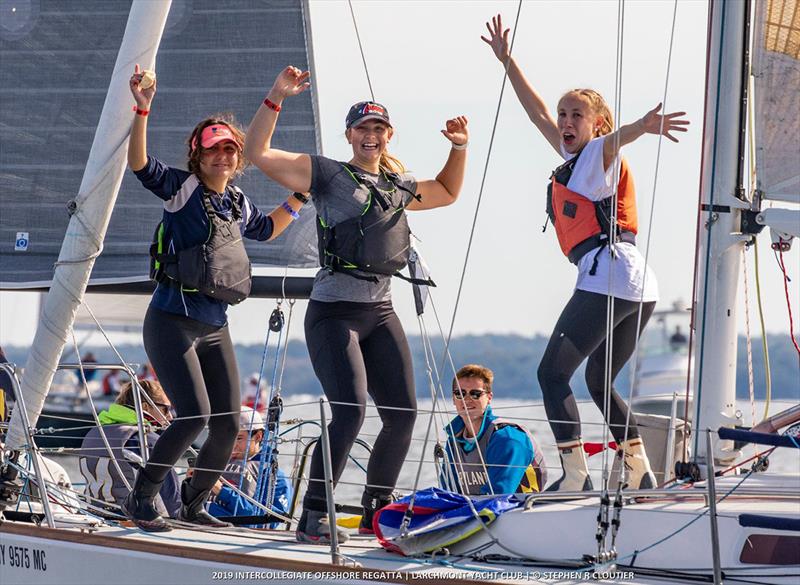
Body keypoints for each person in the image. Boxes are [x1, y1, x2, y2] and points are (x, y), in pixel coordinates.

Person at [244, 66, 469, 542]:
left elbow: (447, 192)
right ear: (349, 134)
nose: (371, 135)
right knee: (349, 411)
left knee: (403, 414)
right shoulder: (327, 174)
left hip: (380, 311)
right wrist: (276, 95)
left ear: (389, 136)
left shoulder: (399, 185)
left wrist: (459, 147)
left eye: (379, 128)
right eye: (363, 128)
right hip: (334, 312)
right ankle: (314, 513)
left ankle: (376, 509)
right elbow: (257, 153)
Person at [483, 15, 689, 491]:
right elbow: (535, 113)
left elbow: (616, 140)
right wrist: (508, 61)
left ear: (596, 124)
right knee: (597, 382)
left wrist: (642, 125)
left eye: (577, 115)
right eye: (564, 115)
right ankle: (640, 473)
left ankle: (575, 477)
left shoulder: (598, 153)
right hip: (637, 282)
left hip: (610, 276)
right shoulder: (577, 159)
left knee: (551, 375)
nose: (565, 122)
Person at [122, 64, 304, 532]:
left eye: (229, 149)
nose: (222, 157)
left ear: (238, 157)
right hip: (171, 320)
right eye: (213, 150)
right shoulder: (182, 190)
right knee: (194, 416)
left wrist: (301, 197)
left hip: (213, 325)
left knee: (226, 424)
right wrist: (142, 107)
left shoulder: (238, 202)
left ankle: (194, 501)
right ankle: (142, 498)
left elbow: (265, 230)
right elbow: (139, 163)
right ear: (198, 156)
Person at [78, 380, 180, 518]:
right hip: (132, 521)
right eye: (165, 409)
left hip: (95, 514)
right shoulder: (145, 439)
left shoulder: (94, 433)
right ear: (145, 407)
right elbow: (169, 508)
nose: (170, 416)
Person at [441, 365, 546, 496]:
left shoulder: (508, 438)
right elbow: (448, 492)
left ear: (489, 397)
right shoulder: (453, 440)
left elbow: (498, 495)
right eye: (459, 393)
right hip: (473, 509)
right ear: (453, 398)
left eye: (475, 394)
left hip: (517, 511)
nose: (466, 399)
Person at [206, 406, 292, 529]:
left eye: (239, 438)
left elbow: (270, 522)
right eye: (228, 438)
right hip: (199, 528)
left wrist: (222, 491)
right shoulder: (215, 462)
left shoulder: (276, 477)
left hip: (234, 537)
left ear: (258, 437)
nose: (233, 446)